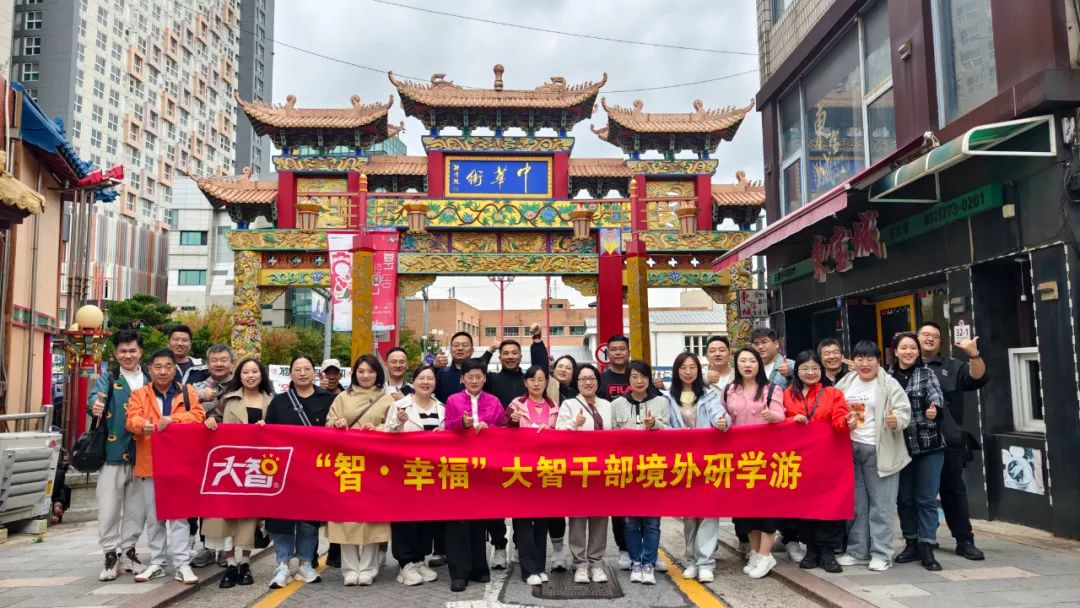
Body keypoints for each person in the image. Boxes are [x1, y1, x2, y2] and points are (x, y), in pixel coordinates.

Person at [125, 349, 205, 585]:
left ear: (174, 369)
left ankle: (182, 563)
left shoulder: (187, 392)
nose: (163, 371)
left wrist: (173, 421)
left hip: (180, 463)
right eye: (158, 367)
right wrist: (144, 425)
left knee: (179, 516)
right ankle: (157, 562)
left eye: (168, 366)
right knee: (154, 516)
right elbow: (131, 419)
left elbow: (198, 416)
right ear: (150, 369)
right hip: (150, 462)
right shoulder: (139, 394)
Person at [835, 340, 912, 572]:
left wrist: (896, 420)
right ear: (853, 361)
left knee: (881, 506)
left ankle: (882, 553)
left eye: (870, 358)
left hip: (880, 451)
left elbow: (903, 411)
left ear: (879, 361)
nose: (865, 363)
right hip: (851, 450)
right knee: (857, 505)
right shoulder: (846, 382)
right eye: (860, 358)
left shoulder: (888, 383)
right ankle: (858, 551)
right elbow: (834, 408)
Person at [916, 321, 988, 560]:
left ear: (940, 341)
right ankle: (918, 540)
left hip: (948, 441)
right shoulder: (903, 367)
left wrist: (974, 355)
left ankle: (964, 540)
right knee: (913, 493)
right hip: (912, 443)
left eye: (935, 336)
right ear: (916, 337)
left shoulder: (952, 366)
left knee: (953, 491)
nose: (929, 339)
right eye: (925, 334)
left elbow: (977, 378)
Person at [263, 355, 335, 589]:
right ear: (290, 373)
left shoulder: (327, 399)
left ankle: (306, 563)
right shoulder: (279, 402)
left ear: (314, 372)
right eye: (297, 369)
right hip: (284, 470)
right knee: (282, 518)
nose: (302, 373)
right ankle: (282, 564)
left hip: (314, 469)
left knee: (308, 519)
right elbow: (268, 435)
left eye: (307, 369)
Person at [201, 357, 273, 588]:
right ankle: (231, 564)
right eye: (245, 372)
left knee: (250, 517)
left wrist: (268, 428)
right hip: (230, 466)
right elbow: (212, 418)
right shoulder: (228, 399)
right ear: (239, 376)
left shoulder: (271, 402)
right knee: (226, 515)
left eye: (254, 372)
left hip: (256, 467)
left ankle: (245, 564)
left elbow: (280, 431)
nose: (250, 376)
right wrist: (210, 421)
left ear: (261, 375)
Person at [326, 354, 396, 586]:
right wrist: (337, 424)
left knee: (371, 517)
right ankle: (349, 568)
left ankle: (368, 568)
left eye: (371, 371)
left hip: (375, 465)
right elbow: (328, 424)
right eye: (361, 371)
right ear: (354, 373)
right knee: (345, 516)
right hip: (347, 464)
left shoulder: (386, 399)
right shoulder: (342, 398)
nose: (366, 376)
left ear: (378, 374)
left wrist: (378, 429)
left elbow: (394, 427)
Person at [782, 351, 851, 573]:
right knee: (805, 505)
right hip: (799, 460)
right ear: (796, 371)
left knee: (829, 503)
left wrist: (847, 422)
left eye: (815, 368)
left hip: (828, 459)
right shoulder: (787, 395)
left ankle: (828, 551)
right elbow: (779, 422)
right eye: (805, 368)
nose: (810, 372)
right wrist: (792, 420)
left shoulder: (833, 393)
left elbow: (839, 422)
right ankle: (811, 548)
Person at [88, 329, 149, 582]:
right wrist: (95, 405)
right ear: (115, 353)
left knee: (137, 509)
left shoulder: (150, 379)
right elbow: (95, 397)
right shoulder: (109, 378)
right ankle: (110, 554)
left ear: (140, 352)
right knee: (109, 508)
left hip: (143, 453)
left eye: (132, 350)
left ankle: (130, 552)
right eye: (123, 351)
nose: (128, 355)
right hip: (112, 453)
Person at [720, 348, 785, 579]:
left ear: (759, 364)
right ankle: (756, 552)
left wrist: (770, 416)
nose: (747, 365)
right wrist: (722, 422)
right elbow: (723, 416)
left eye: (752, 361)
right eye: (743, 361)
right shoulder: (729, 390)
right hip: (739, 458)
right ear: (736, 365)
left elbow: (780, 415)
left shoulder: (772, 389)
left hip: (766, 457)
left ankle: (766, 554)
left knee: (767, 506)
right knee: (746, 508)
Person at [664, 352, 727, 583]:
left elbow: (721, 417)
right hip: (683, 463)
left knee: (709, 512)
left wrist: (723, 423)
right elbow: (664, 425)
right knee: (689, 514)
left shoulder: (709, 395)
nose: (688, 372)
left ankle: (706, 562)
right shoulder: (667, 397)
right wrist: (679, 434)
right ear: (677, 371)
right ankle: (691, 560)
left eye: (692, 367)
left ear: (698, 371)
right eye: (683, 367)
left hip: (708, 461)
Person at [443, 358, 505, 592]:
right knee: (458, 519)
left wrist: (490, 429)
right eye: (470, 377)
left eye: (479, 377)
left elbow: (504, 429)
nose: (475, 381)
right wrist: (462, 423)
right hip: (459, 467)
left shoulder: (494, 401)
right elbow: (447, 428)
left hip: (484, 469)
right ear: (462, 379)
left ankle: (479, 566)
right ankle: (459, 572)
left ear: (485, 378)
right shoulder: (453, 400)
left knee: (480, 518)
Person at [888, 332, 947, 571]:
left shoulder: (927, 374)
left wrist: (935, 409)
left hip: (928, 445)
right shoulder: (887, 378)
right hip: (899, 447)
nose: (909, 352)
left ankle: (927, 546)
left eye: (913, 348)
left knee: (926, 499)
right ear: (895, 351)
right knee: (904, 499)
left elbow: (936, 397)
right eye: (903, 348)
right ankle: (911, 542)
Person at [610, 360, 668, 585]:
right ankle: (636, 561)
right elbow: (609, 436)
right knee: (630, 521)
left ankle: (649, 563)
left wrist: (656, 425)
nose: (639, 381)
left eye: (643, 376)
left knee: (652, 522)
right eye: (634, 376)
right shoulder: (617, 404)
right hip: (627, 472)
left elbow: (673, 433)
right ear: (628, 380)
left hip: (653, 471)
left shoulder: (661, 402)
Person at [384, 366, 443, 586]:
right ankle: (405, 563)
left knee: (426, 517)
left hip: (431, 473)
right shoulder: (400, 405)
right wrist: (398, 422)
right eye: (421, 378)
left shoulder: (442, 408)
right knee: (405, 518)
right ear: (413, 381)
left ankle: (419, 560)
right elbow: (386, 437)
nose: (426, 382)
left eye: (430, 378)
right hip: (406, 471)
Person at [555, 364, 613, 585]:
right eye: (583, 379)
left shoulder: (607, 405)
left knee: (600, 518)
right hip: (578, 471)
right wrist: (574, 423)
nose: (588, 383)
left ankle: (597, 563)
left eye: (592, 378)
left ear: (598, 381)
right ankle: (579, 563)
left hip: (602, 471)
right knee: (578, 518)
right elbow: (558, 433)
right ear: (577, 382)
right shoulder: (569, 404)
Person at [503, 365, 558, 585]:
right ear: (525, 382)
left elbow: (562, 436)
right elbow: (503, 430)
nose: (536, 383)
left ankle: (540, 566)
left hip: (545, 470)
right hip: (522, 471)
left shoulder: (554, 407)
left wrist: (551, 433)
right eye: (532, 379)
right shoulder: (516, 404)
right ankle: (528, 569)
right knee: (524, 521)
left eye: (541, 379)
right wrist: (513, 421)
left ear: (546, 383)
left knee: (542, 521)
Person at [190, 344, 236, 569]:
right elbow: (184, 411)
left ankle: (228, 548)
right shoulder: (196, 389)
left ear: (232, 363)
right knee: (205, 501)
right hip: (204, 453)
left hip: (235, 453)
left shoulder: (242, 384)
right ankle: (207, 547)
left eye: (223, 360)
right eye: (214, 360)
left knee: (231, 501)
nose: (219, 364)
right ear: (207, 364)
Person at [597, 335, 632, 569]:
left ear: (628, 351)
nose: (618, 353)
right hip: (612, 452)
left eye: (622, 349)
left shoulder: (638, 374)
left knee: (644, 502)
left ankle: (649, 549)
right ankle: (623, 549)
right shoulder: (601, 380)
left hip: (638, 451)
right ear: (607, 353)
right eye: (614, 349)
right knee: (618, 505)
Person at [544, 354, 577, 571]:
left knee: (574, 507)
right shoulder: (545, 391)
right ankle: (557, 552)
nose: (563, 370)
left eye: (568, 367)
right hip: (549, 458)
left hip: (575, 458)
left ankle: (577, 554)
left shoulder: (578, 394)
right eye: (560, 366)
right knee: (552, 506)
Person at [434, 332, 494, 404]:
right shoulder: (441, 373)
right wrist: (434, 365)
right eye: (456, 345)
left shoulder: (482, 375)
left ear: (472, 350)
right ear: (450, 350)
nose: (460, 348)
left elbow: (482, 362)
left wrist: (491, 350)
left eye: (465, 345)